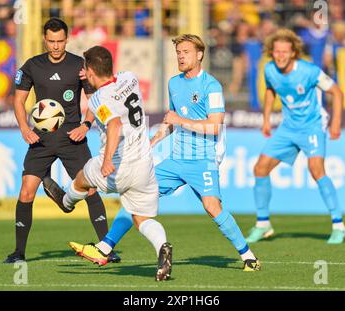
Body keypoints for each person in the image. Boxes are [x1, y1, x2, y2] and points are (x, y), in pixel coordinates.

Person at [65, 34, 261, 272]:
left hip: (202, 159)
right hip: (176, 158)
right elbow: (171, 118)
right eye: (178, 52)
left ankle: (249, 257)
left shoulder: (212, 86)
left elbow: (214, 125)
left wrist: (179, 119)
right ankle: (105, 247)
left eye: (186, 52)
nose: (181, 56)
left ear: (199, 55)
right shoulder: (174, 83)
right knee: (137, 197)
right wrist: (155, 139)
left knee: (212, 207)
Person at [43, 45, 173, 281]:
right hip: (144, 164)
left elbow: (113, 124)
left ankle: (66, 201)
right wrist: (92, 72)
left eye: (86, 70)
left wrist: (105, 162)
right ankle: (162, 248)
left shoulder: (98, 100)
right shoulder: (130, 78)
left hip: (118, 165)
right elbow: (112, 84)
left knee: (82, 178)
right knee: (141, 218)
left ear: (90, 71)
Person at [4, 18, 119, 263]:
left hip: (71, 139)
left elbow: (95, 99)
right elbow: (18, 100)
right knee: (26, 192)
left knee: (90, 190)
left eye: (60, 41)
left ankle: (107, 249)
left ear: (67, 39)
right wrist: (25, 128)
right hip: (41, 140)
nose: (56, 46)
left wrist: (85, 125)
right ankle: (18, 253)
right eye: (51, 41)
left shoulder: (80, 65)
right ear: (44, 40)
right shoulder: (32, 66)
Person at [245, 28, 345, 244]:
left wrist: (336, 123)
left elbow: (336, 92)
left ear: (294, 53)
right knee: (260, 168)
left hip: (312, 126)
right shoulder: (270, 70)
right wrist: (266, 119)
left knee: (316, 170)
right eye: (277, 51)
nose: (280, 55)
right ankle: (263, 224)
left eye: (285, 52)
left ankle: (339, 226)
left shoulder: (309, 71)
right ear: (271, 52)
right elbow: (270, 90)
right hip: (288, 128)